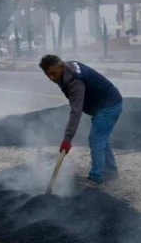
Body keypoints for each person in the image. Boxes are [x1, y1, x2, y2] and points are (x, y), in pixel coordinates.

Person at [39, 55, 123, 188]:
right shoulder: (68, 69)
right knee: (101, 139)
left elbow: (76, 112)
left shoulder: (74, 81)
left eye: (54, 73)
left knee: (96, 139)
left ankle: (96, 179)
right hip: (104, 104)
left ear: (61, 66)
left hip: (109, 106)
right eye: (47, 74)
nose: (52, 78)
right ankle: (111, 171)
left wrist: (67, 139)